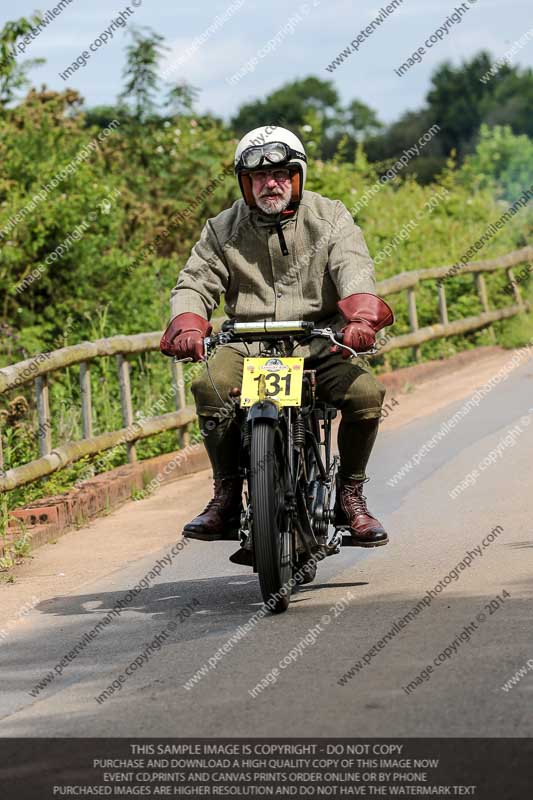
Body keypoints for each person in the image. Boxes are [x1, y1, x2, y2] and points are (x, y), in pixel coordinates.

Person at [160, 125, 394, 557]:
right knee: (207, 387)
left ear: (298, 176)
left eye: (283, 173)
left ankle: (350, 494)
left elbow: (354, 267)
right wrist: (189, 324)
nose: (272, 183)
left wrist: (360, 317)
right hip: (249, 348)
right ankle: (227, 495)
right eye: (260, 177)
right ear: (245, 183)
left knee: (367, 394)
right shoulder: (221, 228)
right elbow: (194, 282)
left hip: (319, 343)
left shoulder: (331, 218)